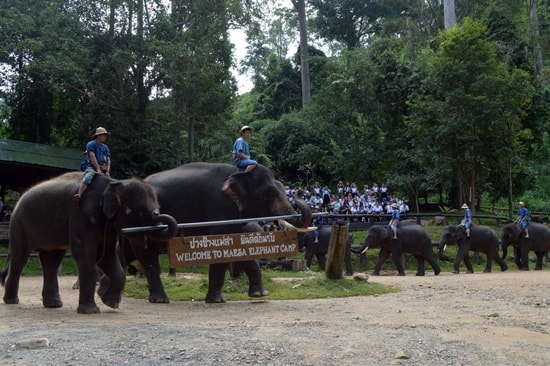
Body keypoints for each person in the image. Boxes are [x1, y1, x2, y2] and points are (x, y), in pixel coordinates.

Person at [73, 127, 112, 202]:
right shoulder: (91, 144)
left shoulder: (106, 147)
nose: (105, 137)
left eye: (105, 135)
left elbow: (108, 160)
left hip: (103, 168)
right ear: (98, 135)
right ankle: (79, 194)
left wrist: (107, 171)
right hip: (92, 167)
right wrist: (97, 169)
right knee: (87, 178)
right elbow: (92, 156)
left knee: (110, 182)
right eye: (103, 135)